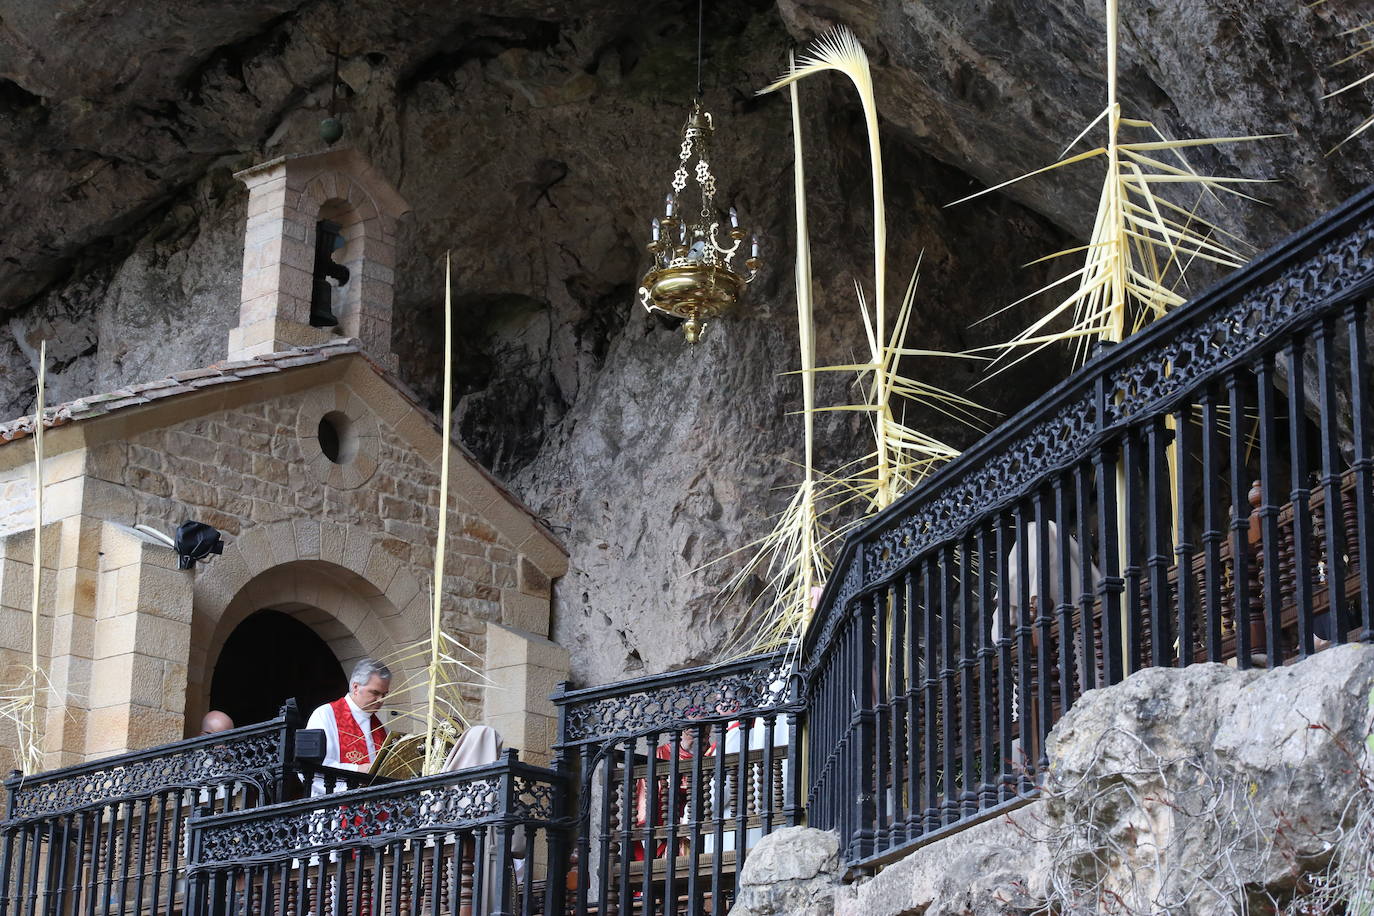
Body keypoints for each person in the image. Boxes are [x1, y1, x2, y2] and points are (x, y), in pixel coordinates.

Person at [306, 658, 392, 794]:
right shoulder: (325, 715)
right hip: (335, 810)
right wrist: (358, 771)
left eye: (384, 694)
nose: (381, 700)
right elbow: (310, 769)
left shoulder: (382, 730)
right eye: (375, 693)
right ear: (356, 687)